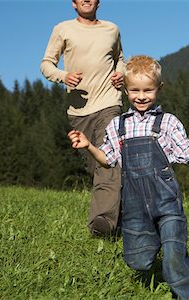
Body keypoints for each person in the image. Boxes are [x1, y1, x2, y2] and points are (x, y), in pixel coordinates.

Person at [68, 55, 189, 299]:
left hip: (166, 202)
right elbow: (107, 159)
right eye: (135, 90)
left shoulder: (167, 122)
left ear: (159, 89)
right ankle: (155, 244)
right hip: (134, 205)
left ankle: (186, 294)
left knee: (174, 252)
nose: (141, 96)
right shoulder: (117, 125)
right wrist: (88, 146)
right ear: (125, 90)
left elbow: (188, 155)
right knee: (138, 262)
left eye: (148, 90)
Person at [40, 0, 124, 237]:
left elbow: (120, 59)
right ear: (74, 3)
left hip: (109, 102)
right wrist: (63, 76)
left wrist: (121, 74)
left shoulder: (111, 29)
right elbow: (46, 64)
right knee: (96, 167)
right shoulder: (63, 29)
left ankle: (103, 224)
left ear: (99, 2)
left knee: (109, 161)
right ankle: (126, 214)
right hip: (79, 110)